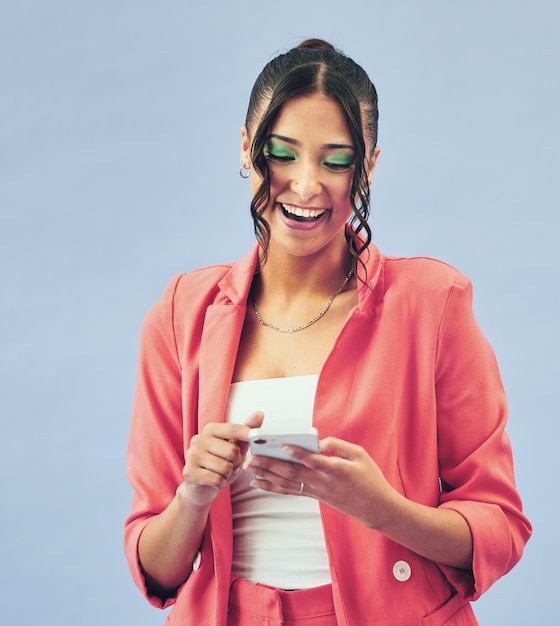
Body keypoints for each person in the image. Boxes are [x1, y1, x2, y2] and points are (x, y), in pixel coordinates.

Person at [124, 38, 532, 626]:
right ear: (247, 147)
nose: (307, 184)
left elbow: (500, 526)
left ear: (367, 166)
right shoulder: (180, 313)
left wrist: (382, 509)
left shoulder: (432, 305)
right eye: (282, 154)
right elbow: (157, 568)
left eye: (335, 160)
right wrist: (192, 496)